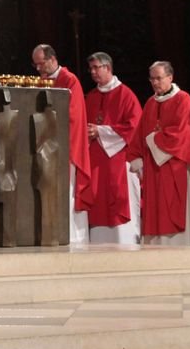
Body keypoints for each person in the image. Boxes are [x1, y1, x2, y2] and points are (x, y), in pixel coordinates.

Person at [127, 61, 190, 245]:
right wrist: (137, 156)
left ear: (170, 77)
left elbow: (183, 134)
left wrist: (153, 139)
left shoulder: (183, 99)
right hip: (155, 171)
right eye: (152, 79)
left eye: (159, 78)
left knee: (178, 210)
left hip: (178, 168)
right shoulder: (150, 103)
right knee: (156, 212)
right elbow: (139, 135)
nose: (155, 83)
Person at [32, 43, 94, 243]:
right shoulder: (41, 80)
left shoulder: (69, 80)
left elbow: (73, 115)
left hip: (66, 146)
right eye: (35, 65)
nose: (38, 68)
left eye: (40, 63)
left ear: (52, 59)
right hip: (46, 145)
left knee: (67, 190)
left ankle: (73, 235)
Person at [82, 52, 142, 244]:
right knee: (97, 203)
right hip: (96, 162)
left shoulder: (126, 95)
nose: (92, 72)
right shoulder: (90, 97)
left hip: (118, 161)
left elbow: (134, 127)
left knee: (118, 202)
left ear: (108, 68)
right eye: (90, 69)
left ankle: (126, 245)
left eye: (96, 68)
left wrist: (100, 131)